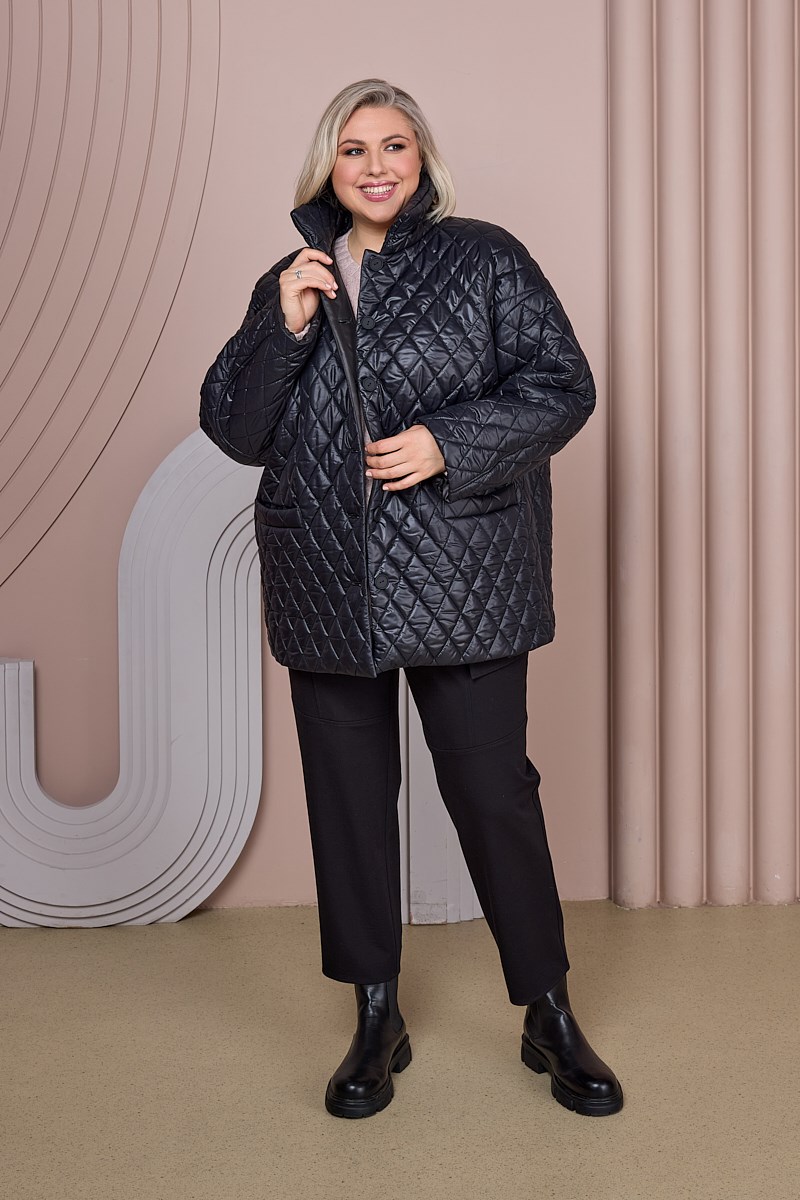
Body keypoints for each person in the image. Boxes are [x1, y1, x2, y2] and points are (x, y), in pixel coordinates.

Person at [199, 78, 623, 1119]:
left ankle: (548, 1012)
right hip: (325, 577)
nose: (375, 166)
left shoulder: (485, 258)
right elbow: (235, 430)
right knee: (347, 805)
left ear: (421, 158)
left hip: (464, 573)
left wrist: (447, 442)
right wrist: (285, 326)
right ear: (327, 168)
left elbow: (562, 386)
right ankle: (374, 1014)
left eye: (393, 146)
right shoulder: (290, 280)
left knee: (492, 794)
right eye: (353, 149)